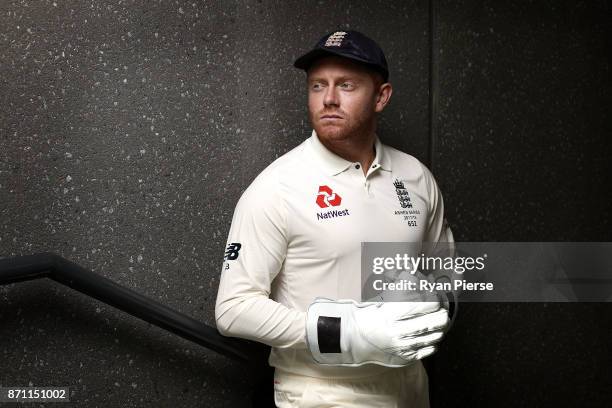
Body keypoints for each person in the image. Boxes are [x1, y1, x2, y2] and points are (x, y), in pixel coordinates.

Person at [215, 30, 454, 407]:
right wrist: (350, 332)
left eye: (346, 85)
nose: (328, 99)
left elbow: (445, 270)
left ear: (381, 97)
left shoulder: (415, 177)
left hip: (410, 385)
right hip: (322, 392)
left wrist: (434, 311)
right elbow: (234, 310)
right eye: (317, 86)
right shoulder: (278, 186)